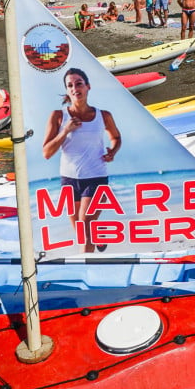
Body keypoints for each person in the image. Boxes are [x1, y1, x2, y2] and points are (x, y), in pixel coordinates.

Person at [42, 67, 121, 252]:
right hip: (68, 179)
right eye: (70, 85)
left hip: (96, 177)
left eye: (79, 83)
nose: (75, 88)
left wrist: (113, 151)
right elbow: (46, 152)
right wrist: (66, 131)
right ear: (67, 90)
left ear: (88, 87)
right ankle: (97, 236)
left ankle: (86, 271)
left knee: (85, 225)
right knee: (81, 230)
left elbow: (116, 137)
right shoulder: (58, 116)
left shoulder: (104, 115)